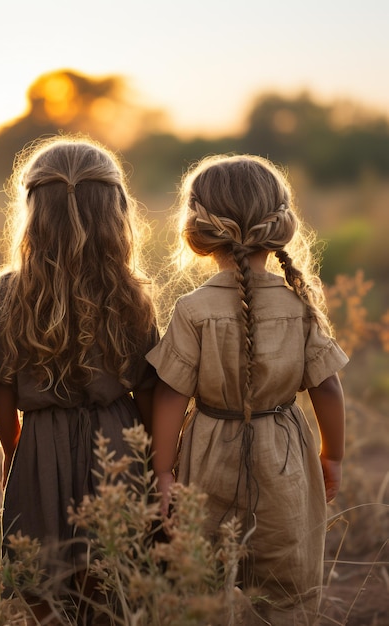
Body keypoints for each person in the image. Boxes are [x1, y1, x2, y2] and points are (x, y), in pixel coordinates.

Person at [147, 154, 348, 625]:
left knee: (198, 581)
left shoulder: (192, 309)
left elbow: (170, 395)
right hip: (286, 455)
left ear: (198, 228)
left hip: (208, 451)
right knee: (288, 586)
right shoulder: (300, 303)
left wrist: (162, 472)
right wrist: (332, 454)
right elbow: (329, 389)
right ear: (280, 224)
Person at [0, 136, 159, 620]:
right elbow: (148, 387)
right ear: (115, 209)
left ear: (33, 211)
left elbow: (2, 385)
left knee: (41, 574)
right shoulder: (133, 291)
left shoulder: (10, 289)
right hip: (119, 441)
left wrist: (13, 447)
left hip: (40, 443)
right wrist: (151, 452)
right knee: (111, 576)